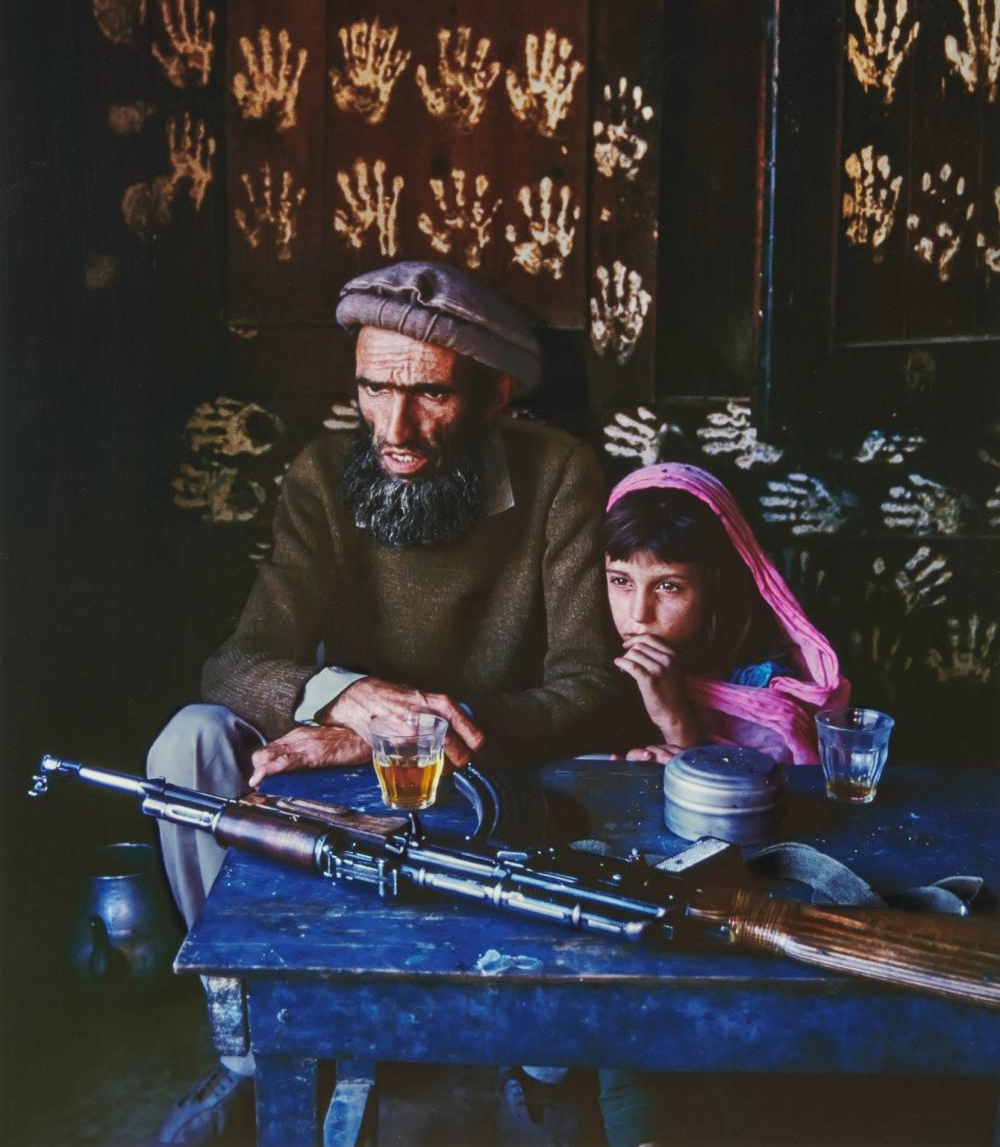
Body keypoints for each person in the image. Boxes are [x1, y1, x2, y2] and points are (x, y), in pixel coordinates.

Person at [146, 260, 624, 1146]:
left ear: (494, 394)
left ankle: (542, 1055)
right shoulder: (325, 472)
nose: (393, 428)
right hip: (336, 777)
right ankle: (248, 1046)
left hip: (493, 774)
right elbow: (236, 663)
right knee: (189, 742)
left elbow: (592, 689)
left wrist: (419, 731)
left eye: (430, 396)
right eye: (372, 387)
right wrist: (346, 699)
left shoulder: (560, 475)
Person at [597, 461, 848, 1147]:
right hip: (632, 924)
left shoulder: (765, 686)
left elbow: (789, 824)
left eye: (669, 587)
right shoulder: (589, 661)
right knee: (631, 1011)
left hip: (749, 926)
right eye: (621, 581)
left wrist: (680, 731)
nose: (638, 613)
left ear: (716, 589)